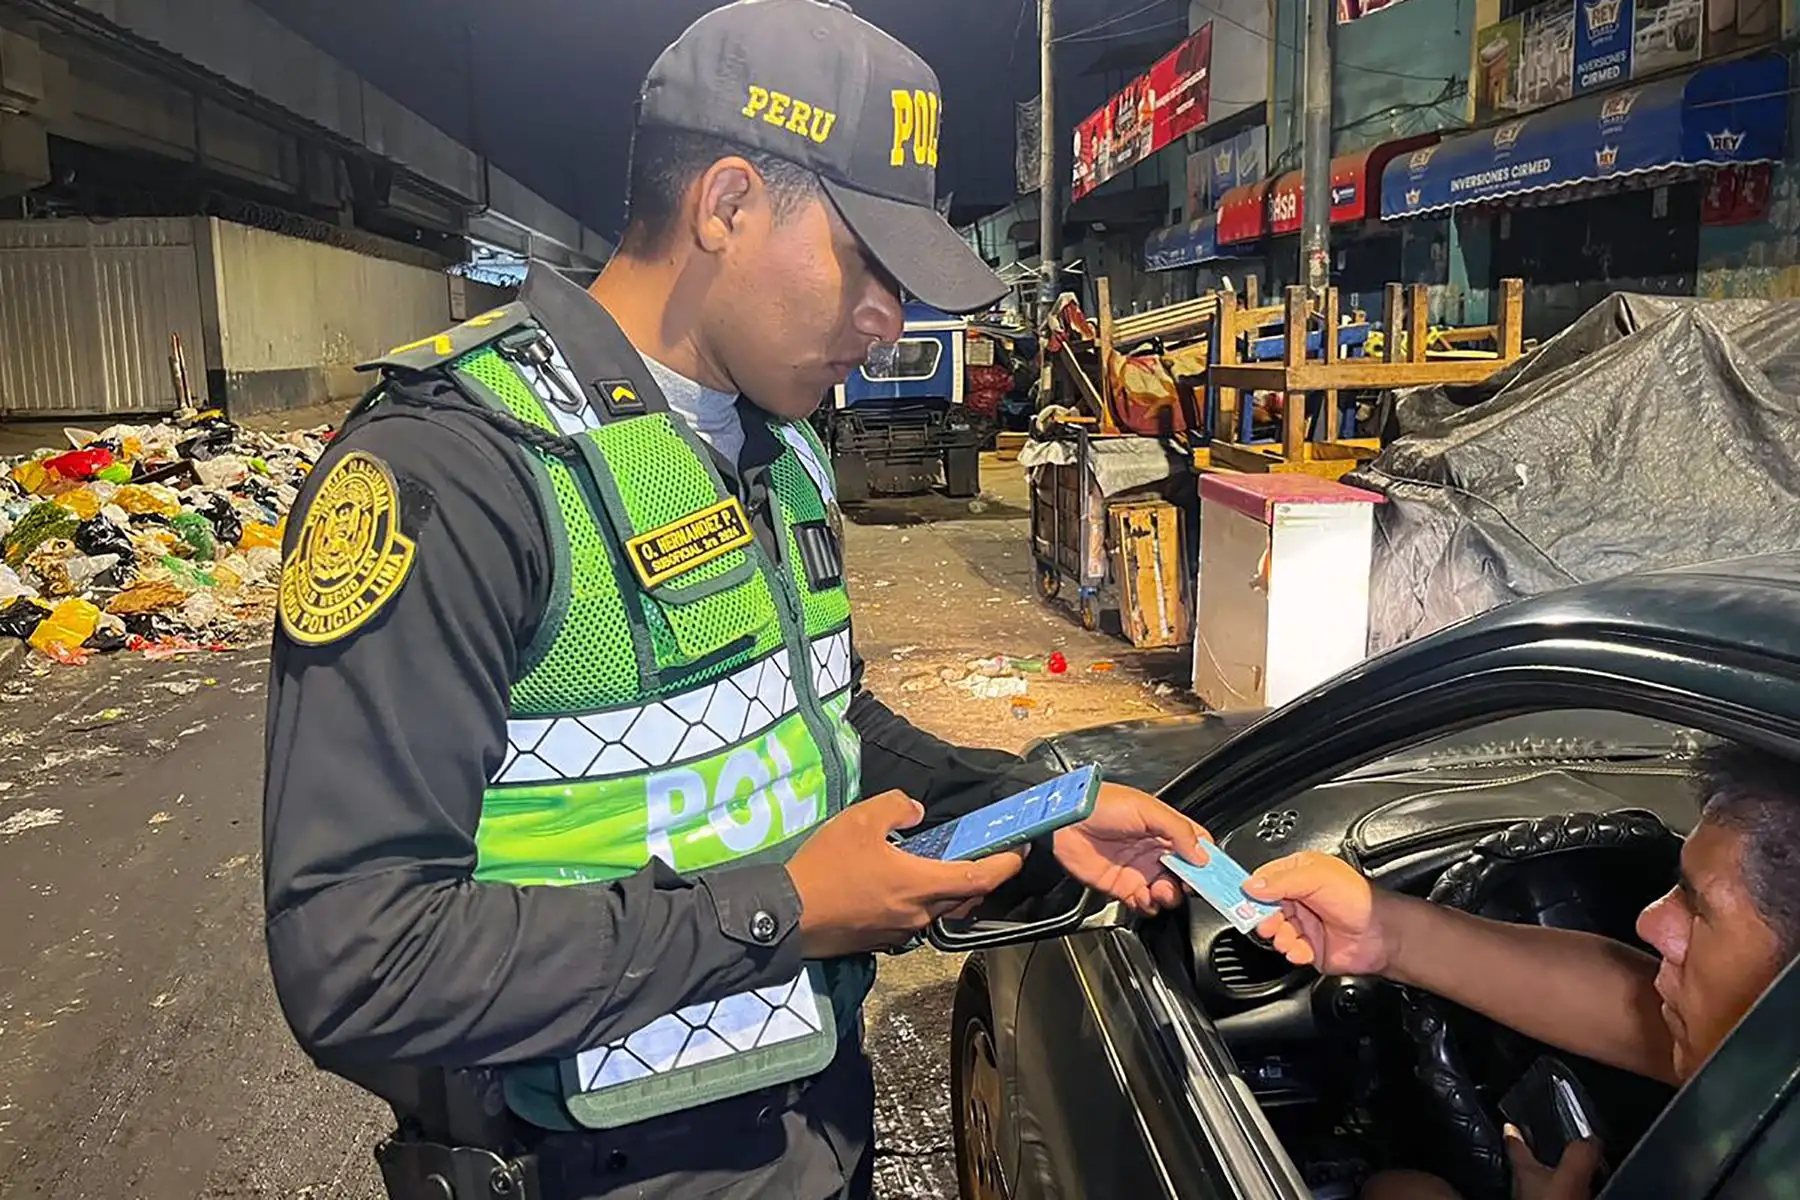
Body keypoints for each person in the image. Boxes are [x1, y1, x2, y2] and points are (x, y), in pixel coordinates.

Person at [260, 3, 1209, 1199]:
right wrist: (783, 913)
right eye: (866, 266)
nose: (886, 325)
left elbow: (821, 728)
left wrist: (1034, 813)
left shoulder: (782, 449)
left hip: (814, 1140)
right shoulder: (456, 474)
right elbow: (358, 961)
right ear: (724, 205)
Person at [1244, 742, 1800, 1200]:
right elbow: (1627, 1008)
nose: (1652, 923)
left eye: (1698, 907)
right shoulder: (1763, 1058)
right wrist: (1383, 932)